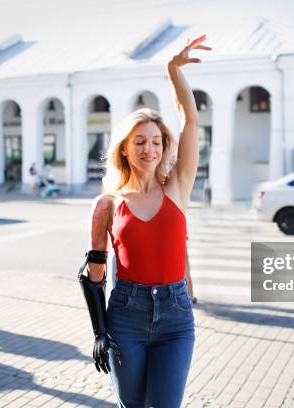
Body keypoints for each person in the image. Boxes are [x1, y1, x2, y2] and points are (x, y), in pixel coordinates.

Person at [78, 35, 211, 408]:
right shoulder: (107, 205)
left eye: (156, 141)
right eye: (140, 141)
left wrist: (173, 71)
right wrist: (99, 333)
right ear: (124, 147)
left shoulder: (178, 188)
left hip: (176, 317)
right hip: (126, 317)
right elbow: (93, 276)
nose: (149, 149)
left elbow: (191, 119)